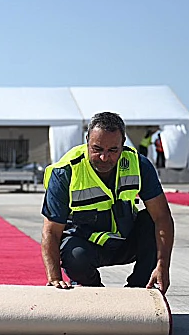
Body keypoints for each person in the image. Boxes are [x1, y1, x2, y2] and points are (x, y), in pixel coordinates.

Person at [41, 111, 174, 293]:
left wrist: (162, 266)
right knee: (75, 256)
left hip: (125, 240)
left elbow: (162, 217)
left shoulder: (139, 164)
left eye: (113, 150)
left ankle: (138, 290)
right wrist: (55, 278)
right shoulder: (65, 172)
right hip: (86, 245)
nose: (104, 158)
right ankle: (94, 291)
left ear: (123, 143)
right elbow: (51, 231)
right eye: (97, 149)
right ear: (87, 141)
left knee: (150, 222)